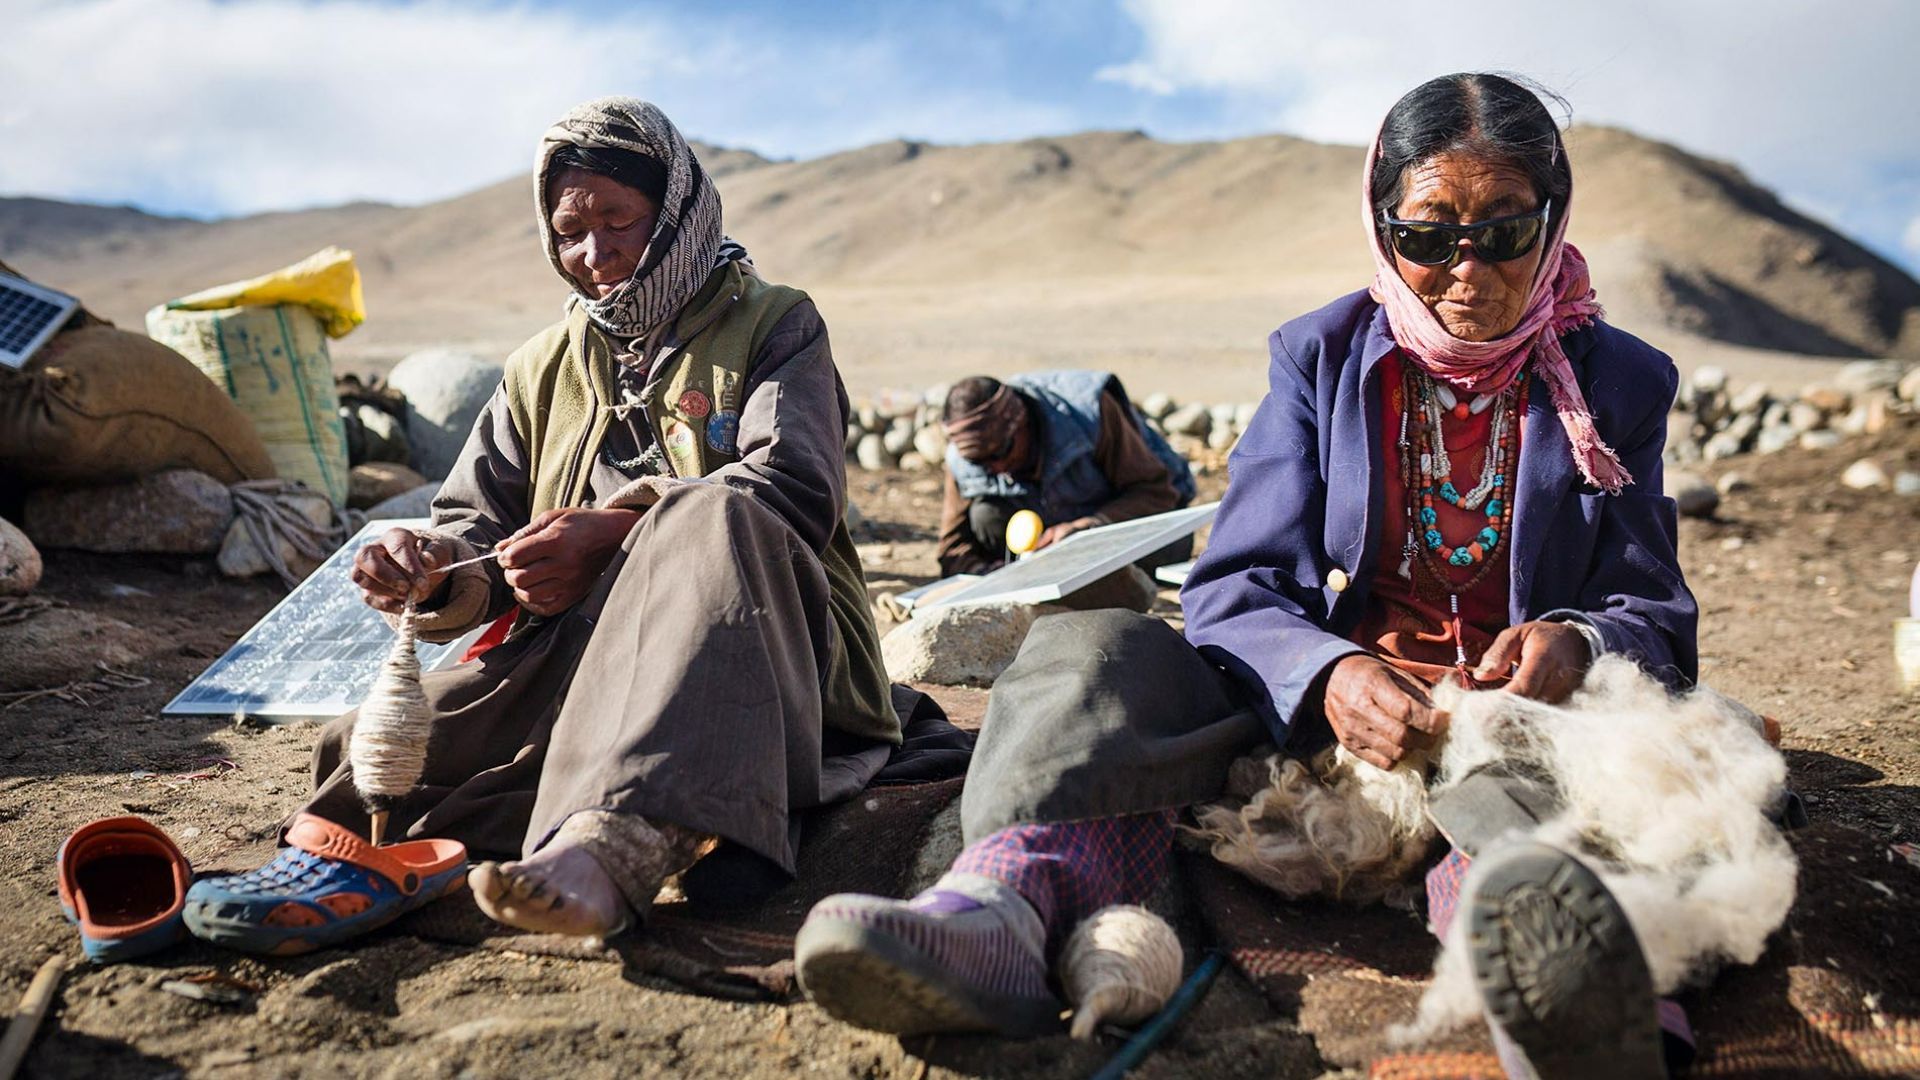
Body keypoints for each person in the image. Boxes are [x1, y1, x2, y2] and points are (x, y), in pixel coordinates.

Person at [797, 74, 1701, 1077]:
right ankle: (1001, 907)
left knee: (1517, 797)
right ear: (1382, 225)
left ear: (1555, 217)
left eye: (1505, 232)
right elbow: (1236, 584)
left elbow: (1651, 607)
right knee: (1089, 651)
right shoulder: (1319, 358)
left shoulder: (1620, 383)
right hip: (1315, 711)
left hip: (1523, 718)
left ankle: (1566, 986)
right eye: (1430, 235)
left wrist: (1577, 641)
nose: (1467, 272)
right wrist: (1327, 672)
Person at [217, 98, 907, 941]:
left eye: (620, 220)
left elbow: (794, 490)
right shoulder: (539, 367)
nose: (595, 253)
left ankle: (612, 846)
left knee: (711, 515)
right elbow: (473, 521)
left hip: (763, 636)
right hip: (575, 650)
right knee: (370, 756)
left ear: (679, 211)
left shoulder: (776, 323)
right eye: (569, 231)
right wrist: (430, 566)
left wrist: (617, 533)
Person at [936, 371, 1196, 576]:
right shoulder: (964, 456)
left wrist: (1089, 526)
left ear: (1021, 422)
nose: (996, 468)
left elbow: (1157, 492)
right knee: (986, 516)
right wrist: (986, 573)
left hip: (1106, 527)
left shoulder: (1088, 413)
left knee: (1169, 545)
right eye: (979, 462)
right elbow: (952, 549)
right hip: (1042, 545)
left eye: (999, 453)